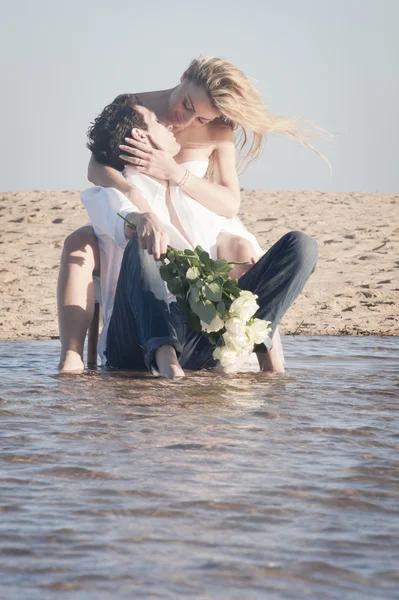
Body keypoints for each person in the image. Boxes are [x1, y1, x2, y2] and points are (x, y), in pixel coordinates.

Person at [57, 56, 321, 373]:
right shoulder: (135, 110)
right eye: (186, 104)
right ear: (183, 77)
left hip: (197, 236)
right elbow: (96, 169)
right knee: (101, 243)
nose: (184, 120)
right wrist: (135, 199)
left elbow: (229, 203)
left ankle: (254, 348)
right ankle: (77, 355)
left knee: (292, 247)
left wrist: (175, 173)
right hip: (139, 227)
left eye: (200, 118)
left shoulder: (218, 129)